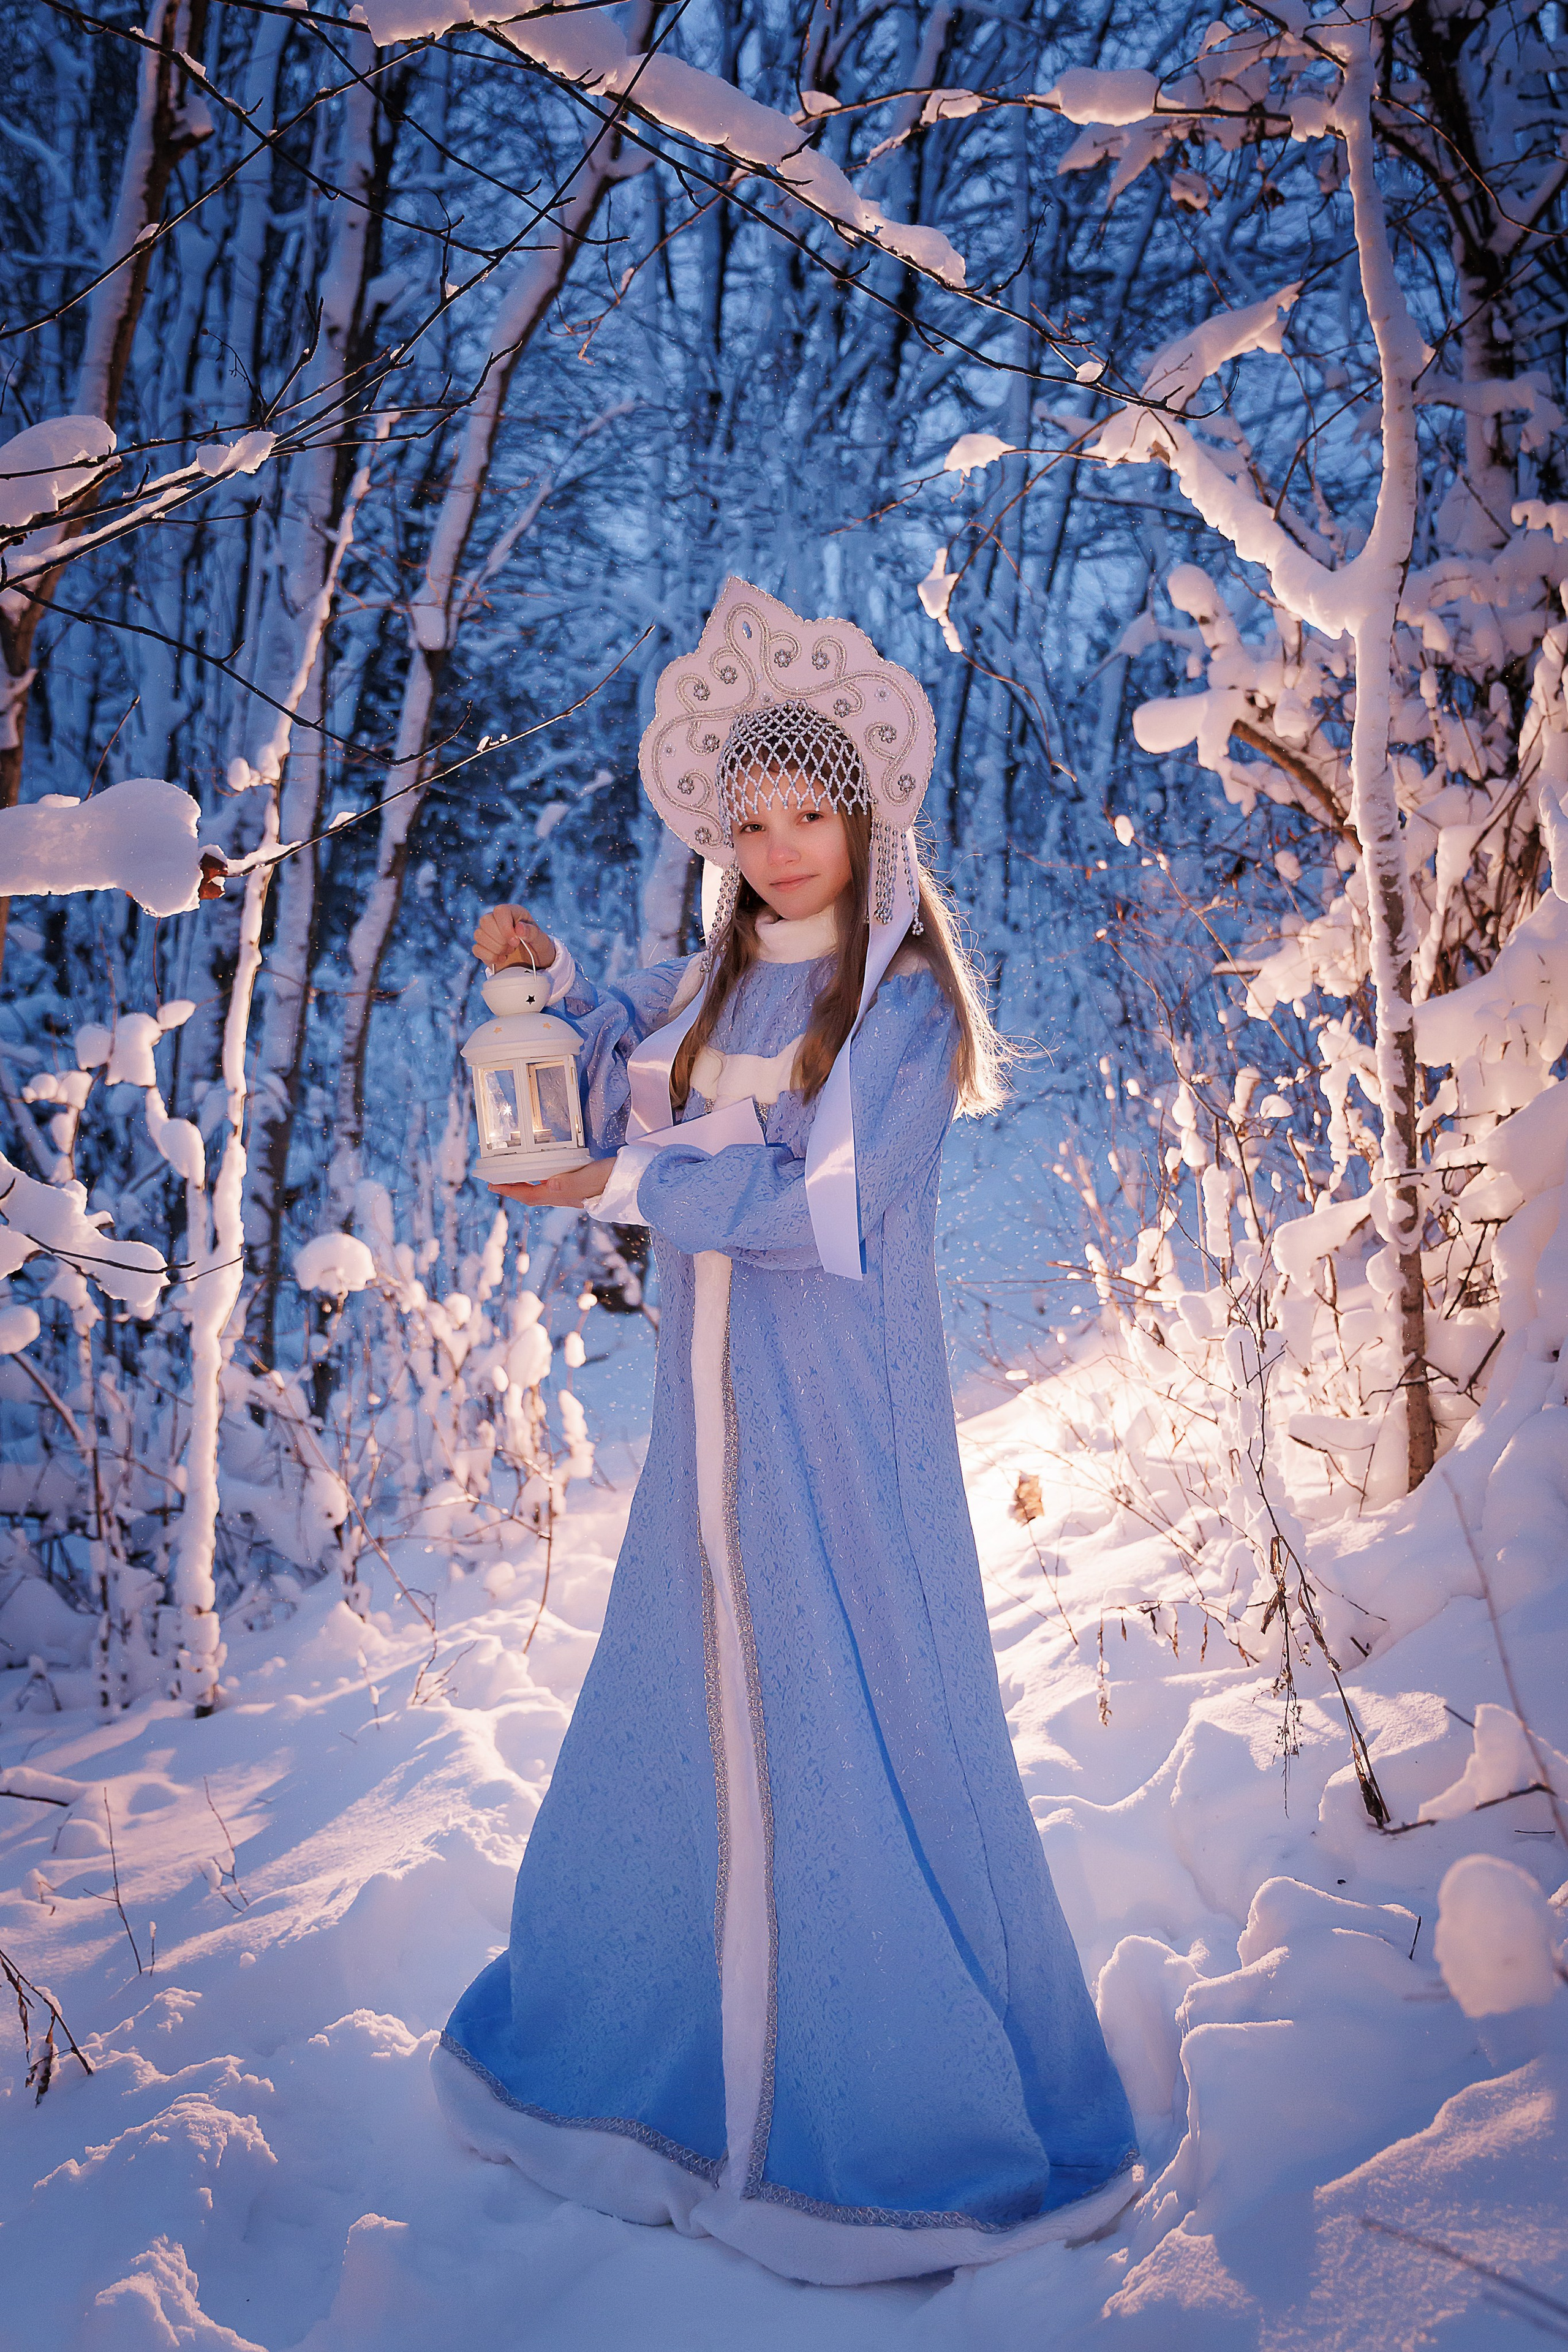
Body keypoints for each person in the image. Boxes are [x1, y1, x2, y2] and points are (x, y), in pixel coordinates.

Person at [432, 579, 1136, 2286]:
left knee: (858, 1715)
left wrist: (619, 1178)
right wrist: (547, 989)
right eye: (747, 819)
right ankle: (660, 2074)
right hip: (708, 1439)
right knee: (695, 1706)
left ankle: (888, 2107)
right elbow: (613, 1078)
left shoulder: (899, 1012)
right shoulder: (703, 989)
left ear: (864, 814)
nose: (776, 845)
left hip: (840, 1433)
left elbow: (813, 1200)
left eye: (806, 811)